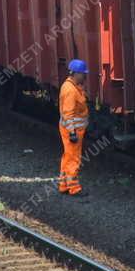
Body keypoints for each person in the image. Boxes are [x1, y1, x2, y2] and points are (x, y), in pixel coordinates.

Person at [58, 59, 89, 197]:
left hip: (72, 129)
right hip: (73, 130)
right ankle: (74, 189)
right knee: (74, 159)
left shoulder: (73, 86)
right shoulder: (70, 90)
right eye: (83, 74)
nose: (85, 76)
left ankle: (63, 185)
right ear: (76, 74)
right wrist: (72, 133)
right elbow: (68, 113)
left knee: (67, 157)